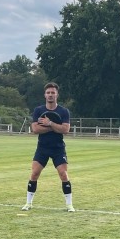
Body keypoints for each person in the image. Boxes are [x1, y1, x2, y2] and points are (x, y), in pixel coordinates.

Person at [21, 82, 75, 212]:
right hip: (42, 148)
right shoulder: (38, 110)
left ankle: (69, 205)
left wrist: (49, 123)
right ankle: (28, 203)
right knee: (34, 174)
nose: (50, 95)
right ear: (45, 95)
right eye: (48, 93)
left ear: (57, 95)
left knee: (63, 174)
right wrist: (55, 127)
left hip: (58, 148)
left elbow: (65, 129)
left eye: (53, 92)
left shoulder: (63, 111)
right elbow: (35, 129)